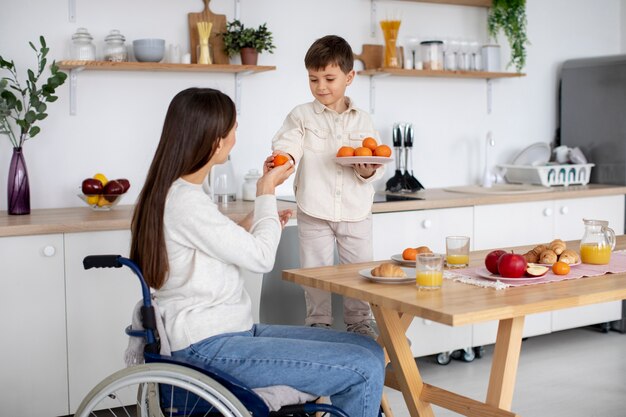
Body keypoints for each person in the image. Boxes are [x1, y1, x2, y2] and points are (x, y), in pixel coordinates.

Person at [130, 87, 385, 417]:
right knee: (363, 364)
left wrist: (256, 219)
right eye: (234, 128)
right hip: (208, 347)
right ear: (215, 140)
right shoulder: (185, 202)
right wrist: (266, 191)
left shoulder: (178, 194)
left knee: (366, 347)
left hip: (228, 333)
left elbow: (214, 243)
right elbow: (262, 258)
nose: (237, 135)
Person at [269, 35, 384, 337]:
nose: (321, 87)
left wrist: (367, 172)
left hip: (356, 210)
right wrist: (282, 159)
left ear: (349, 77)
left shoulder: (364, 121)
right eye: (313, 79)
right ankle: (318, 324)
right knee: (315, 274)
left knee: (358, 273)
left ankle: (359, 323)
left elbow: (374, 163)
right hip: (314, 207)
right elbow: (288, 142)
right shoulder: (301, 115)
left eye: (329, 78)